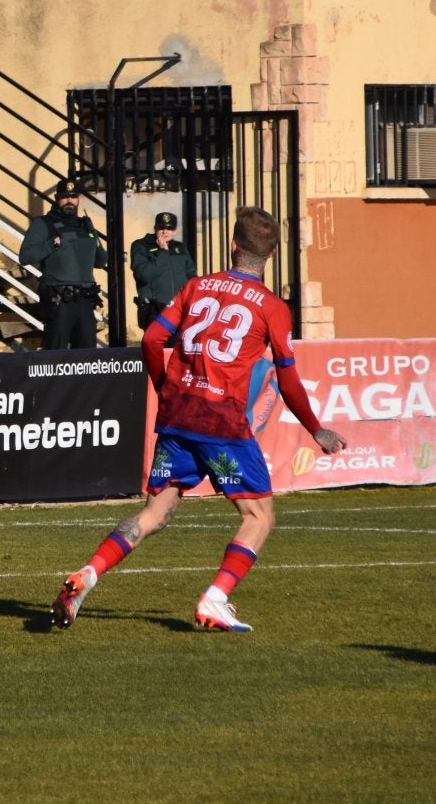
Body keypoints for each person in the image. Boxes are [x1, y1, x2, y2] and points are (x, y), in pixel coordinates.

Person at [51, 206, 347, 634]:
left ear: (233, 244)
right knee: (258, 517)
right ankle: (216, 599)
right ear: (272, 254)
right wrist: (316, 428)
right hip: (220, 425)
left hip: (178, 417)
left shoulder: (197, 285)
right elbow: (287, 377)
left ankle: (87, 576)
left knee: (155, 513)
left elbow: (153, 338)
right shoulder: (272, 307)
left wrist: (164, 387)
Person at [19, 178, 106, 350]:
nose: (69, 201)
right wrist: (51, 244)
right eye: (65, 196)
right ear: (57, 198)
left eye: (73, 196)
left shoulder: (85, 225)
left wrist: (97, 245)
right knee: (56, 355)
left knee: (87, 356)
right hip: (59, 300)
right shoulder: (44, 223)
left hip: (85, 299)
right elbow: (25, 256)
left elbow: (101, 261)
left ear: (79, 198)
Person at [132, 210, 197, 333]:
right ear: (155, 228)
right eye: (161, 227)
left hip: (179, 310)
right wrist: (162, 252)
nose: (165, 231)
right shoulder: (141, 246)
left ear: (175, 231)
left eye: (169, 228)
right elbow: (144, 275)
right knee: (157, 349)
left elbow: (191, 275)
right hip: (155, 310)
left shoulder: (179, 247)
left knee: (178, 349)